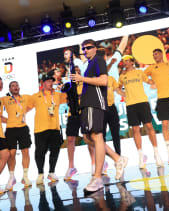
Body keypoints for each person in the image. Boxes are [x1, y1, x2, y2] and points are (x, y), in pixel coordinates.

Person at [70, 39, 128, 195]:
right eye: (84, 48)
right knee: (89, 137)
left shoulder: (98, 60)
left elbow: (104, 80)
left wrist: (82, 79)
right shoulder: (90, 64)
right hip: (89, 103)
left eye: (89, 47)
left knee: (96, 136)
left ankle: (97, 178)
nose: (86, 50)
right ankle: (117, 158)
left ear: (95, 48)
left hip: (95, 104)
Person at [117, 55, 164, 168]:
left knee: (149, 126)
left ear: (132, 62)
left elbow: (149, 82)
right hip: (130, 105)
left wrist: (156, 82)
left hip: (142, 102)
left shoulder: (139, 72)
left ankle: (156, 153)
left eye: (127, 61)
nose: (125, 63)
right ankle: (140, 155)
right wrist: (125, 95)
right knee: (135, 129)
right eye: (124, 61)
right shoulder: (122, 76)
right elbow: (118, 88)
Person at [63, 48, 98, 180]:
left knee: (88, 138)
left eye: (78, 71)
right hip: (73, 115)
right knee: (70, 140)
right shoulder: (68, 85)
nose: (76, 73)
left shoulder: (85, 83)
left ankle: (94, 163)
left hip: (84, 113)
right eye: (74, 72)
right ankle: (71, 166)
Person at [27, 70, 66, 185]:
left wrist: (63, 88)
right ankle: (40, 173)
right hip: (40, 129)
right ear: (42, 83)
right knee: (40, 152)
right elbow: (25, 109)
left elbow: (69, 97)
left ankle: (52, 172)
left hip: (54, 128)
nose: (50, 83)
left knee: (55, 150)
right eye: (48, 81)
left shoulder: (58, 95)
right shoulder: (35, 96)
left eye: (51, 81)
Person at [1, 81, 32, 189]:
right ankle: (11, 177)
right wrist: (9, 121)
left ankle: (25, 176)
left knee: (26, 151)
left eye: (17, 85)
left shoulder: (26, 97)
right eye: (13, 86)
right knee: (11, 153)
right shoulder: (4, 99)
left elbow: (35, 103)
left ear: (19, 87)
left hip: (23, 128)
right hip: (11, 129)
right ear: (9, 89)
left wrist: (24, 113)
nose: (15, 87)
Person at [102, 75, 123, 155]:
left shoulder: (111, 78)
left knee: (116, 134)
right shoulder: (94, 79)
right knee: (101, 136)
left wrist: (127, 95)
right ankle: (102, 159)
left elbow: (118, 90)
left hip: (112, 108)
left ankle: (118, 156)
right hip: (101, 110)